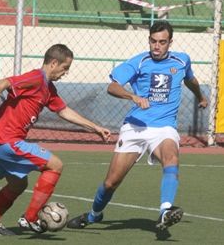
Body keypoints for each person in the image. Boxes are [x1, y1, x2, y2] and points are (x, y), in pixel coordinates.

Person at [67, 20, 208, 231]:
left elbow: (191, 80)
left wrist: (200, 96)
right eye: (153, 41)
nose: (157, 46)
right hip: (135, 127)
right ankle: (94, 215)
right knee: (110, 183)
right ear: (148, 40)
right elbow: (112, 87)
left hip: (164, 128)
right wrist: (132, 96)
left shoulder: (182, 60)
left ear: (170, 42)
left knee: (171, 159)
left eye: (162, 42)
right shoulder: (139, 62)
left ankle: (165, 211)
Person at [0, 44, 111, 236]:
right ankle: (30, 218)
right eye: (64, 68)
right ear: (53, 63)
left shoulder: (48, 88)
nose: (65, 73)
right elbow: (4, 83)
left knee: (18, 185)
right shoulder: (36, 78)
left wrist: (95, 127)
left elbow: (63, 111)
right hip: (7, 141)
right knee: (56, 165)